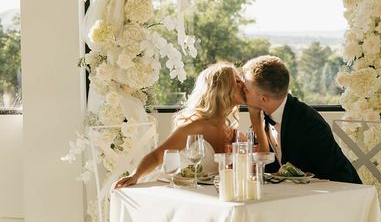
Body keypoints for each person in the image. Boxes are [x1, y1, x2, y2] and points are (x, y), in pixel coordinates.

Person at [114, 62, 245, 188]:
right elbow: (157, 156)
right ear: (221, 88)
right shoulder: (196, 126)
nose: (244, 85)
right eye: (238, 81)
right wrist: (135, 175)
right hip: (181, 191)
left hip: (212, 196)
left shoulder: (234, 134)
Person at [241, 55, 361, 184]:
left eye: (246, 90)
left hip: (338, 193)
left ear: (263, 99)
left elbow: (339, 175)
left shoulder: (308, 124)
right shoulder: (261, 116)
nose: (242, 92)